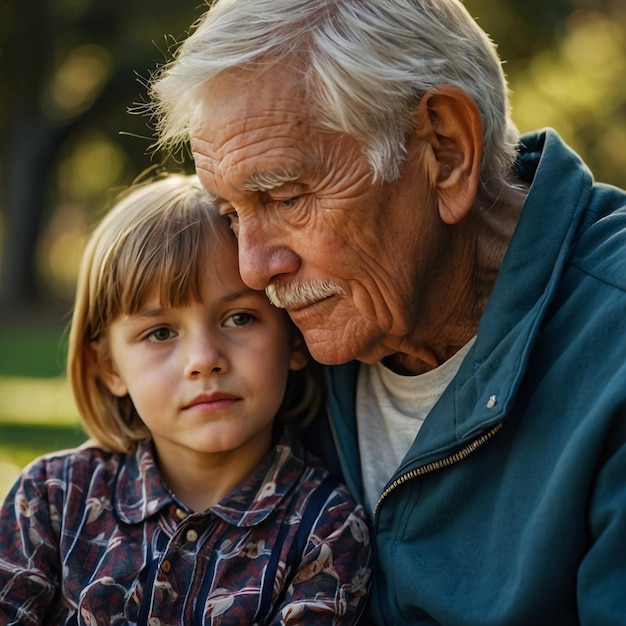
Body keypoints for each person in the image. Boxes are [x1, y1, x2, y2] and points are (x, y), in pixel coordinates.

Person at [147, 1, 626, 624]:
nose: (254, 269)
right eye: (233, 214)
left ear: (445, 150)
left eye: (288, 197)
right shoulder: (274, 342)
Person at [0, 174, 371, 625]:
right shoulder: (50, 502)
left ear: (293, 340)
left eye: (238, 318)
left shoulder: (326, 529)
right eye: (160, 333)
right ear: (110, 367)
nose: (203, 360)